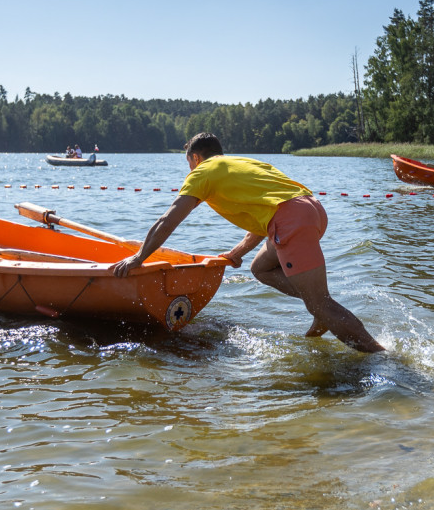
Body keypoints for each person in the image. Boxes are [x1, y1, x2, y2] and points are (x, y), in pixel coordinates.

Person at [111, 133, 384, 353]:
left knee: (320, 304)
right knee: (261, 268)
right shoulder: (240, 164)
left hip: (289, 220)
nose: (190, 168)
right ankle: (321, 307)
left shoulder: (202, 171)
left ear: (195, 158)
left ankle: (382, 357)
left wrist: (139, 257)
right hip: (311, 210)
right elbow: (268, 211)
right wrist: (237, 252)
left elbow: (167, 220)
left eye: (189, 163)